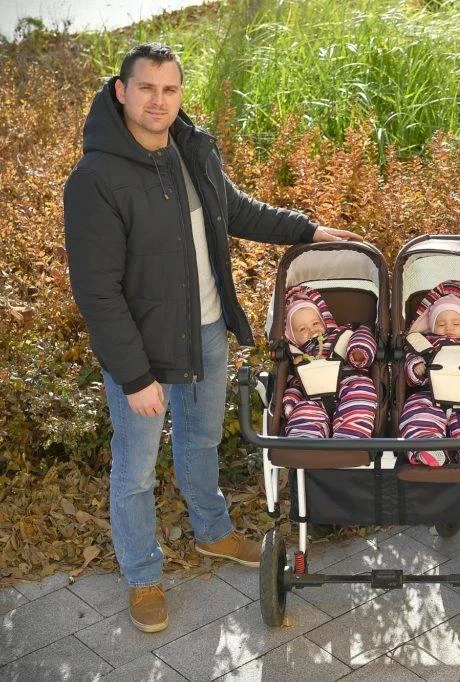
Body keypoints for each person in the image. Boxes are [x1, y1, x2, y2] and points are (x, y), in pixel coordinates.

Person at [63, 43, 361, 633]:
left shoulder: (191, 151)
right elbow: (97, 294)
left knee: (199, 441)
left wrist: (309, 230)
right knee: (135, 468)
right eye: (146, 88)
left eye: (169, 89)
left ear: (180, 95)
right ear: (121, 91)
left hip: (205, 328)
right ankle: (142, 575)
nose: (158, 101)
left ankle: (212, 531)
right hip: (143, 348)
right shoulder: (95, 179)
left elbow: (237, 210)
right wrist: (135, 376)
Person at [399, 280, 460, 467]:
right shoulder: (423, 344)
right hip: (429, 392)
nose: (448, 328)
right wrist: (416, 367)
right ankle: (426, 446)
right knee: (418, 413)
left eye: (456, 323)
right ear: (431, 327)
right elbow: (411, 360)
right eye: (441, 324)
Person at [281, 285, 377, 439]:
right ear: (293, 338)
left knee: (361, 394)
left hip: (348, 382)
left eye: (315, 323)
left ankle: (350, 436)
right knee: (304, 410)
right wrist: (290, 402)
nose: (312, 330)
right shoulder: (297, 357)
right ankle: (304, 439)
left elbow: (364, 335)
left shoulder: (344, 332)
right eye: (302, 329)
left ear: (324, 321)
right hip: (312, 395)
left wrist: (359, 351)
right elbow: (295, 385)